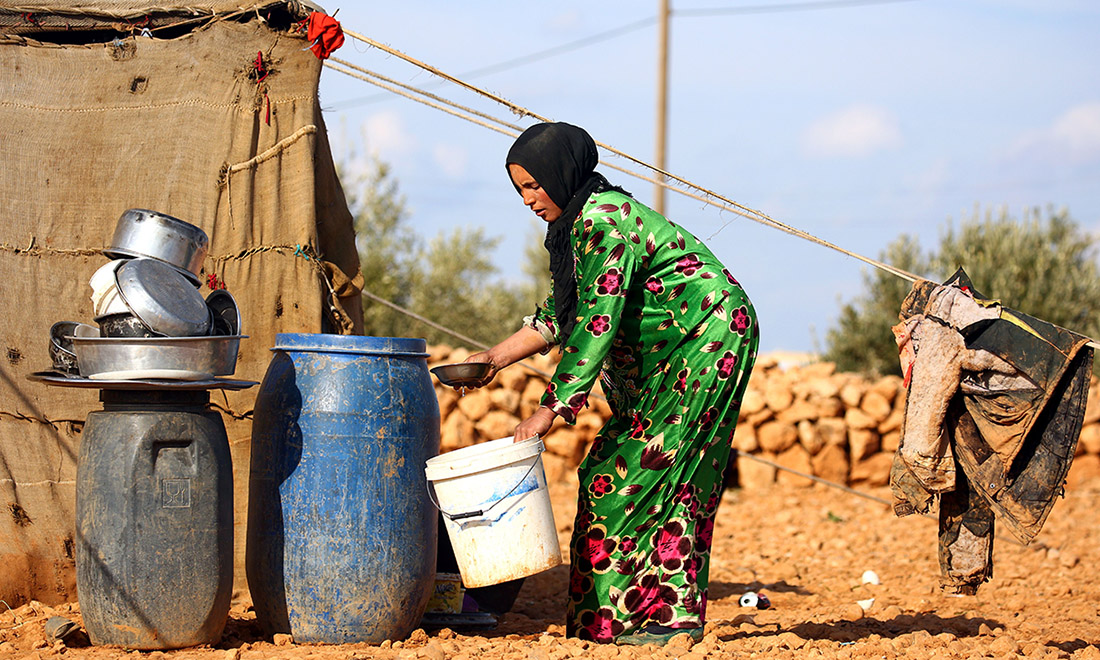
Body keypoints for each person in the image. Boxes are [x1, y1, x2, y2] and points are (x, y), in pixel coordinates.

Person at [465, 122, 759, 645]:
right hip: (664, 361)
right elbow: (562, 313)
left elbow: (596, 321)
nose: (528, 200)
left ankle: (666, 621)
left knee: (662, 477)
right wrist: (493, 359)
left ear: (562, 173)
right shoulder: (577, 229)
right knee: (608, 472)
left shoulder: (604, 220)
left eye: (534, 185)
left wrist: (551, 407)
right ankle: (608, 622)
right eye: (520, 190)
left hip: (707, 340)